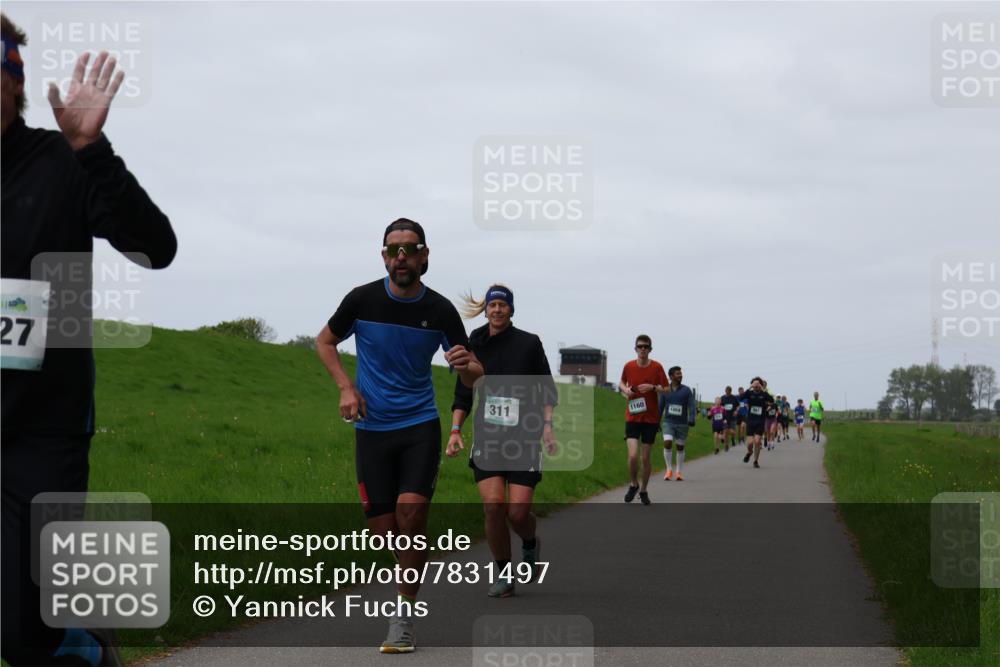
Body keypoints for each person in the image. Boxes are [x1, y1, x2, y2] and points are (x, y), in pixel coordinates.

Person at [2, 14, 177, 667]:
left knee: (23, 635)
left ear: (12, 83)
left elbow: (155, 247)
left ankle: (85, 645)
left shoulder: (60, 161)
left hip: (42, 433)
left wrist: (91, 151)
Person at [317, 218, 483, 654]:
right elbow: (324, 342)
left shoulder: (442, 310)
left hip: (418, 426)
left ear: (425, 255)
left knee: (411, 519)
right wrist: (345, 387)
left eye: (411, 249)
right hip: (372, 429)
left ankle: (403, 618)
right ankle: (410, 561)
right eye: (394, 250)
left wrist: (467, 364)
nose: (402, 257)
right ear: (384, 256)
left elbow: (475, 371)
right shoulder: (362, 299)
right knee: (384, 532)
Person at [447, 284, 557, 598]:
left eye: (503, 305)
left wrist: (548, 427)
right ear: (486, 310)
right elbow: (463, 393)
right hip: (489, 437)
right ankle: (504, 573)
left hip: (524, 437)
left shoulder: (529, 343)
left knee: (518, 513)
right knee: (494, 506)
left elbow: (547, 390)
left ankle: (530, 541)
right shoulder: (475, 342)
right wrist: (455, 431)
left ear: (511, 310)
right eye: (492, 305)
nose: (497, 310)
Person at [619, 334, 668, 505]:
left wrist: (654, 387)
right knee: (633, 455)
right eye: (640, 346)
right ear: (635, 348)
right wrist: (626, 390)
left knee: (645, 458)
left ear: (650, 349)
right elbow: (621, 382)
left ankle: (644, 490)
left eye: (646, 347)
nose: (643, 349)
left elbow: (667, 389)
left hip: (650, 419)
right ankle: (633, 484)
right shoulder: (628, 366)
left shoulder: (657, 367)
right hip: (632, 416)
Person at [660, 366, 697, 481]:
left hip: (682, 423)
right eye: (677, 374)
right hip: (668, 422)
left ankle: (679, 472)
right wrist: (655, 421)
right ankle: (669, 469)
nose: (680, 375)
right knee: (667, 442)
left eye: (681, 373)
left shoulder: (686, 390)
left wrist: (691, 418)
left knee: (680, 447)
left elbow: (692, 405)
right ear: (671, 376)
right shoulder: (665, 390)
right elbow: (660, 407)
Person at [740, 378, 773, 468]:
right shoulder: (749, 393)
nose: (756, 386)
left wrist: (763, 389)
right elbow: (741, 398)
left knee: (757, 441)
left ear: (760, 385)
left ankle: (755, 461)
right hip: (751, 421)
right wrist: (750, 387)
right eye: (755, 384)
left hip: (760, 421)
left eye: (758, 384)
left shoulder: (763, 394)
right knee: (750, 443)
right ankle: (749, 452)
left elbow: (771, 400)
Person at [721, 386, 739, 451]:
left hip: (732, 417)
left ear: (730, 391)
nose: (727, 392)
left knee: (732, 432)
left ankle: (733, 439)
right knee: (725, 431)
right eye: (726, 391)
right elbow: (720, 406)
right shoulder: (722, 398)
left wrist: (736, 411)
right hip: (725, 417)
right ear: (725, 391)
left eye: (729, 391)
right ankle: (726, 445)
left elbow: (738, 406)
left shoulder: (734, 398)